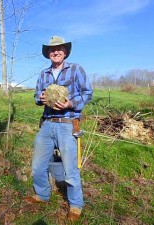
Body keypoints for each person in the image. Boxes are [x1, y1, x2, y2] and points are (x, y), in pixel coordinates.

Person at [26, 36, 93, 222]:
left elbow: (88, 92)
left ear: (65, 52)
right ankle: (42, 194)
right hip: (47, 123)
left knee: (70, 168)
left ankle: (76, 205)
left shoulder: (76, 69)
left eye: (59, 49)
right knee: (38, 165)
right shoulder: (44, 74)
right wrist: (40, 98)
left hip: (67, 124)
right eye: (52, 49)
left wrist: (71, 103)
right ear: (48, 53)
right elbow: (36, 97)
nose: (56, 52)